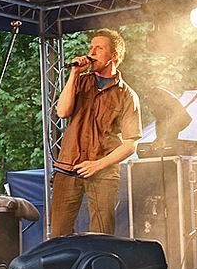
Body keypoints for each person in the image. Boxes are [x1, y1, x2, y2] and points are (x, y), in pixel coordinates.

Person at [50, 29, 142, 237]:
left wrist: (98, 165)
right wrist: (74, 74)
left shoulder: (127, 95)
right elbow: (62, 111)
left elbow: (131, 144)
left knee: (102, 235)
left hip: (103, 172)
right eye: (91, 47)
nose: (91, 52)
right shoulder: (80, 81)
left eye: (98, 48)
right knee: (58, 235)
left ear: (114, 56)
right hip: (68, 167)